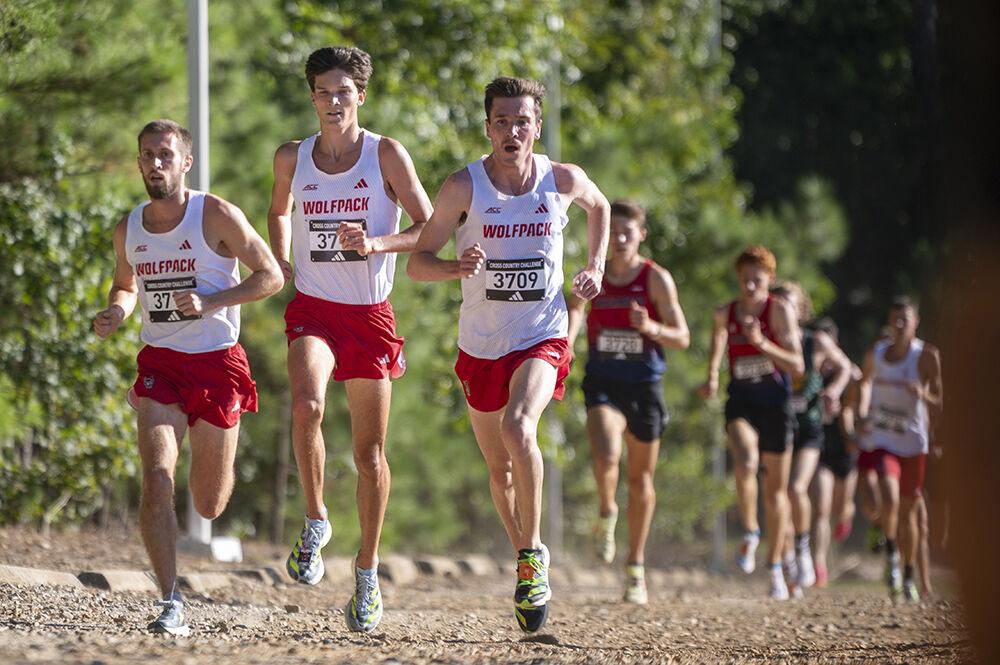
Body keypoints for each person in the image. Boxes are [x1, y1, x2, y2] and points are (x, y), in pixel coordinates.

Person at [408, 76, 609, 632]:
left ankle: (532, 556)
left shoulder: (561, 179)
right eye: (502, 121)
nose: (513, 131)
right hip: (481, 345)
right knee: (499, 470)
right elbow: (418, 262)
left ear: (536, 127)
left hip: (543, 333)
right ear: (488, 127)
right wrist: (456, 267)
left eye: (523, 122)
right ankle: (522, 549)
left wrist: (593, 266)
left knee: (521, 429)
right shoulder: (462, 187)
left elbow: (601, 206)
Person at [93, 119, 283, 635]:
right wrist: (117, 311)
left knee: (208, 502)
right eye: (148, 154)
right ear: (139, 162)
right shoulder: (129, 227)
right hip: (161, 364)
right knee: (157, 478)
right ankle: (170, 598)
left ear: (185, 162)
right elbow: (125, 284)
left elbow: (271, 276)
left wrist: (212, 301)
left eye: (165, 154)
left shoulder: (215, 214)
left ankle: (222, 450)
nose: (156, 163)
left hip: (218, 363)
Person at [266, 46, 433, 632]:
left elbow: (428, 227)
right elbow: (279, 210)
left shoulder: (385, 153)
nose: (333, 102)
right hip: (314, 307)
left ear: (361, 95)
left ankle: (366, 572)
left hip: (369, 314)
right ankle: (316, 520)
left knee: (369, 455)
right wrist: (282, 256)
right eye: (322, 92)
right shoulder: (292, 156)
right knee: (308, 405)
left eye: (344, 92)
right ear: (311, 97)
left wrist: (376, 244)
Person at [565, 200, 689, 604]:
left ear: (641, 236)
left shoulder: (656, 279)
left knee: (641, 482)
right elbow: (577, 313)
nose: (618, 240)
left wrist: (649, 326)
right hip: (604, 378)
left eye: (626, 233)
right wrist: (564, 347)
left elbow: (682, 336)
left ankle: (635, 567)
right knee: (605, 453)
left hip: (644, 385)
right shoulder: (593, 275)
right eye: (611, 231)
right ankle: (606, 511)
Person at [698, 246, 804, 600]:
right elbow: (718, 339)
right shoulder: (725, 312)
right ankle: (750, 532)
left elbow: (797, 366)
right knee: (745, 462)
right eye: (745, 277)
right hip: (742, 400)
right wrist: (713, 375)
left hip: (775, 404)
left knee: (776, 492)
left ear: (769, 280)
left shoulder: (780, 312)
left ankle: (775, 568)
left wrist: (761, 343)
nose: (750, 283)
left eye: (757, 277)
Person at [856, 297, 943, 600]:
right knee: (888, 498)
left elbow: (940, 400)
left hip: (914, 442)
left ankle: (908, 574)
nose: (900, 324)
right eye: (895, 319)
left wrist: (923, 394)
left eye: (905, 319)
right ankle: (891, 553)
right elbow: (864, 383)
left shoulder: (926, 355)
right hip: (884, 439)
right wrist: (864, 410)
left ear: (916, 321)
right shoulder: (877, 354)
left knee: (909, 515)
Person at [771, 283, 850, 594]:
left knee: (794, 489)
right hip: (776, 425)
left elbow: (846, 367)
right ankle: (788, 561)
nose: (784, 311)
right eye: (778, 305)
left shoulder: (815, 342)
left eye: (790, 305)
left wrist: (833, 391)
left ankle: (803, 550)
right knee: (778, 498)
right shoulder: (766, 342)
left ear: (802, 311)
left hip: (808, 428)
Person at [809, 318, 862, 588]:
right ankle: (819, 566)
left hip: (843, 449)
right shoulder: (808, 372)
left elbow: (856, 408)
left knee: (842, 507)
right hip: (819, 449)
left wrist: (849, 425)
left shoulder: (849, 374)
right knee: (821, 508)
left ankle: (846, 516)